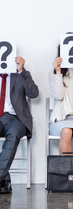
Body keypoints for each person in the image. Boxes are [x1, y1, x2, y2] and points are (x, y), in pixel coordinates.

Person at [0, 56, 39, 194]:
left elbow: (34, 94)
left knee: (13, 134)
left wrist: (21, 70)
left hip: (16, 119)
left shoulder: (19, 74)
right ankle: (3, 180)